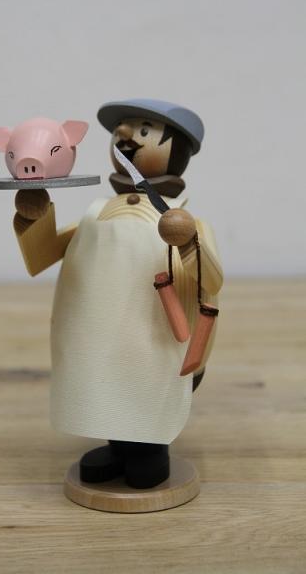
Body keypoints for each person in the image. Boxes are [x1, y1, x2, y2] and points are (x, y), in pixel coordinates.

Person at [13, 99, 223, 488]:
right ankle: (118, 446)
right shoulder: (96, 213)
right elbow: (41, 257)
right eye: (121, 129)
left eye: (143, 131)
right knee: (104, 384)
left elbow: (212, 279)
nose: (124, 135)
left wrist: (188, 243)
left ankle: (149, 451)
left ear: (177, 148)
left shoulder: (183, 217)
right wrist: (34, 217)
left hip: (155, 335)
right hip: (97, 335)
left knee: (144, 388)